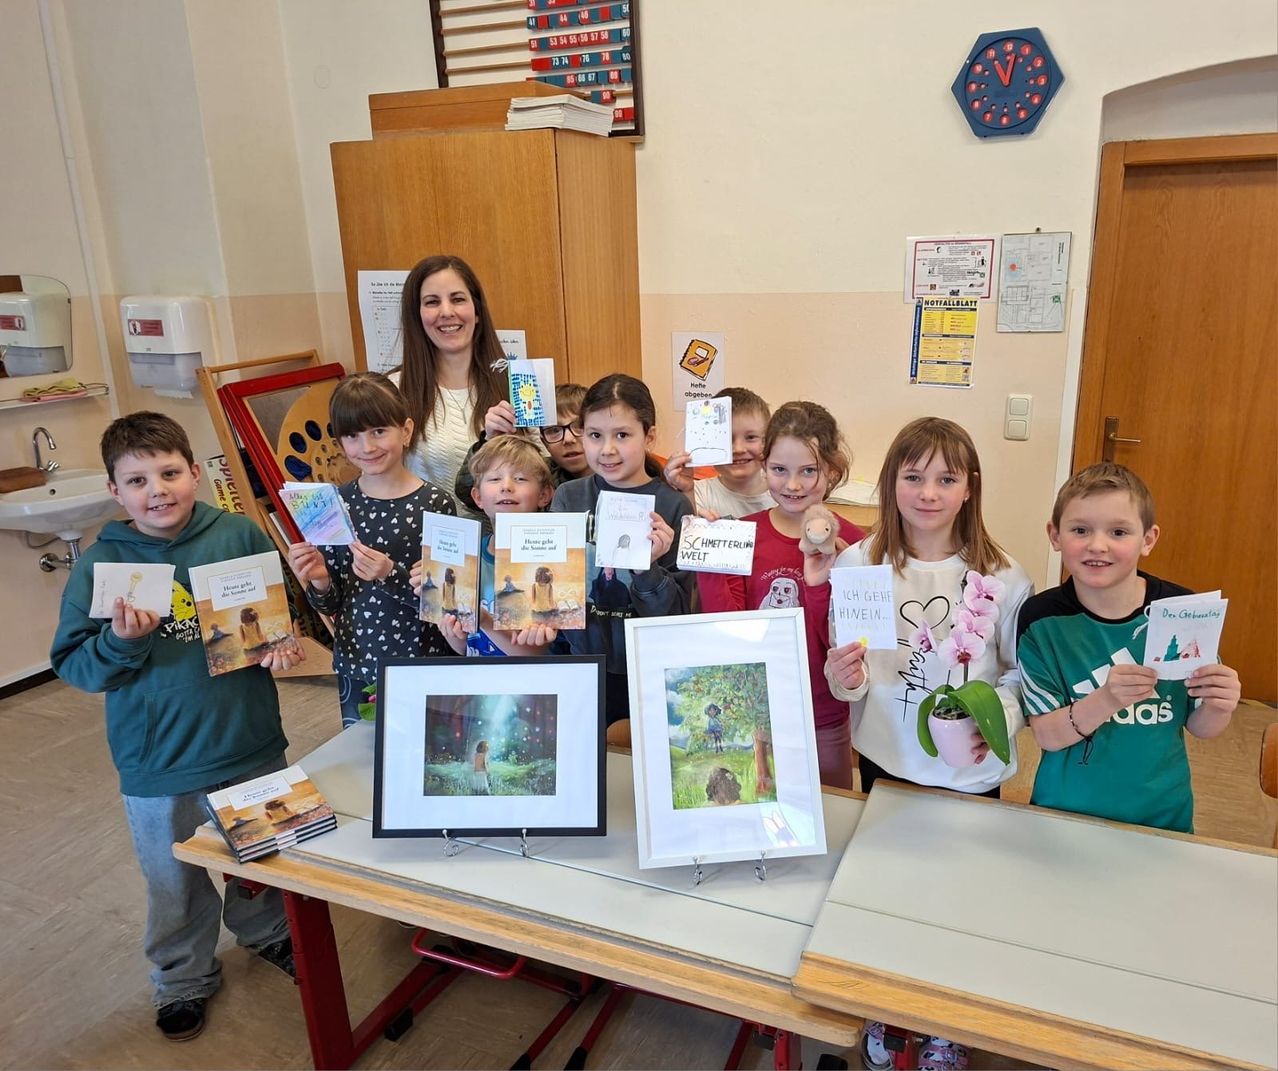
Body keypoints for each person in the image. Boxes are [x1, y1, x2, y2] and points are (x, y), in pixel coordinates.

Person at [49, 411, 304, 1042]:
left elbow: (277, 614)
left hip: (250, 741)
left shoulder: (238, 534)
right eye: (137, 480)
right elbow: (77, 666)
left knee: (265, 855)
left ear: (196, 472)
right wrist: (121, 642)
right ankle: (181, 977)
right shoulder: (100, 564)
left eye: (169, 472)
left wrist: (282, 643)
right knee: (174, 880)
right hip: (158, 762)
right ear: (115, 490)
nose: (157, 490)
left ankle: (270, 933)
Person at [825, 417, 1032, 1071]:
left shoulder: (1002, 575)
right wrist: (842, 679)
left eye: (947, 477)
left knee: (958, 896)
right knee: (885, 888)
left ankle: (947, 1018)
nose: (929, 492)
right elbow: (848, 666)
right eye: (913, 476)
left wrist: (991, 720)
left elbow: (1018, 679)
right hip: (889, 759)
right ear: (891, 483)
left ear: (971, 487)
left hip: (967, 771)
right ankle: (887, 1002)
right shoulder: (860, 564)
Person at [1017, 462, 1240, 833]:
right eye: (1080, 530)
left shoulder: (1183, 611)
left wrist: (1220, 704)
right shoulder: (1041, 620)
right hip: (1063, 812)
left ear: (1148, 539)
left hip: (1161, 815)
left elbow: (1203, 727)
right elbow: (1047, 735)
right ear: (1055, 535)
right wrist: (1106, 699)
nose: (1097, 545)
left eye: (1118, 531)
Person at [699, 401, 865, 788]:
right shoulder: (741, 534)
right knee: (761, 808)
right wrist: (710, 560)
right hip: (761, 711)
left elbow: (850, 643)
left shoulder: (855, 544)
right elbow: (729, 631)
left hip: (824, 709)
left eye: (809, 471)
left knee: (833, 808)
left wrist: (820, 585)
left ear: (833, 470)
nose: (793, 485)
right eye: (779, 470)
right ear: (764, 466)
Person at [285, 372, 456, 727]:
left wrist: (390, 575)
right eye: (352, 435)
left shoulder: (436, 504)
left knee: (427, 761)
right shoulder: (334, 505)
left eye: (379, 431)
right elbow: (331, 604)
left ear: (406, 431)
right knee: (364, 759)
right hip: (357, 660)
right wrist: (317, 580)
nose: (367, 447)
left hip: (423, 659)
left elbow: (446, 602)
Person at [551, 373, 695, 723]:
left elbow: (676, 617)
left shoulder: (673, 506)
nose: (607, 449)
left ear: (650, 436)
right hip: (580, 661)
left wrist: (649, 568)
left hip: (647, 669)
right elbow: (551, 585)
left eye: (623, 435)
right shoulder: (569, 497)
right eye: (595, 435)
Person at [414, 436, 559, 657]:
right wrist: (453, 630)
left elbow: (531, 654)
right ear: (478, 497)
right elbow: (463, 647)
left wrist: (482, 619)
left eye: (520, 478)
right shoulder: (466, 558)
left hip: (532, 684)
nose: (506, 487)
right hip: (477, 681)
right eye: (494, 479)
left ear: (544, 495)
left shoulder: (549, 562)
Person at [395, 254, 509, 518]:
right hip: (426, 550)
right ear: (417, 316)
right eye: (432, 302)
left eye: (457, 299)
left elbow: (543, 476)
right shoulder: (394, 391)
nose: (446, 312)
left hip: (502, 548)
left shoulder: (516, 384)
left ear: (477, 311)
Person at [663, 386, 774, 519]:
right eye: (726, 439)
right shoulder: (696, 492)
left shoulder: (784, 493)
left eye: (750, 438)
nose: (738, 449)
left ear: (767, 440)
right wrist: (687, 492)